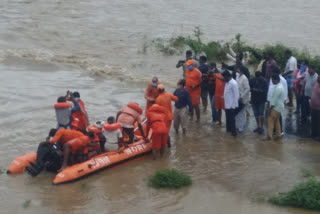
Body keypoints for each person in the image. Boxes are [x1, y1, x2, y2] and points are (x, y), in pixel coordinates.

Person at [267, 66, 288, 134]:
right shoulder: (272, 78)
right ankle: (274, 130)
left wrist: (284, 100)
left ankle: (279, 131)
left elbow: (285, 91)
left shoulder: (283, 80)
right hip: (271, 99)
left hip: (278, 101)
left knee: (278, 117)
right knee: (273, 117)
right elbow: (270, 88)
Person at [266, 74, 285, 141]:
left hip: (276, 107)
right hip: (279, 107)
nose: (272, 81)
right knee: (277, 121)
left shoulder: (278, 88)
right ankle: (278, 135)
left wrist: (270, 109)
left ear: (275, 80)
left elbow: (274, 100)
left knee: (270, 120)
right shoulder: (280, 86)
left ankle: (269, 136)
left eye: (272, 80)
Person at [222, 70, 239, 136]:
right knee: (228, 119)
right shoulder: (227, 82)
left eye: (224, 77)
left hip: (232, 105)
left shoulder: (233, 83)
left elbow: (236, 95)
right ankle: (228, 130)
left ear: (227, 76)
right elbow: (226, 92)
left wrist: (233, 106)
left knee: (232, 120)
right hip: (227, 104)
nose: (223, 79)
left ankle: (234, 133)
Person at [235, 66, 250, 132]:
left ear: (242, 71)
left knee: (242, 113)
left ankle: (241, 127)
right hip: (237, 97)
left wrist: (242, 97)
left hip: (243, 98)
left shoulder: (244, 78)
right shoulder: (237, 76)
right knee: (237, 113)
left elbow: (247, 89)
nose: (237, 70)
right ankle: (237, 125)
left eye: (238, 69)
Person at [311, 74, 320, 140]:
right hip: (313, 107)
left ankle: (318, 136)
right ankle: (313, 134)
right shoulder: (317, 83)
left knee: (318, 123)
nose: (318, 78)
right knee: (313, 122)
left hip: (319, 108)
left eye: (319, 77)